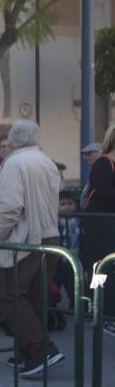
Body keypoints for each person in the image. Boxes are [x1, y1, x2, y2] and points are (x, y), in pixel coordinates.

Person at [0, 121, 64, 376]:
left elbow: (10, 208)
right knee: (34, 297)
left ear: (12, 141)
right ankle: (30, 354)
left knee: (8, 294)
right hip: (49, 236)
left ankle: (41, 350)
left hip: (24, 239)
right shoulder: (46, 161)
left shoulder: (13, 163)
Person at [82, 127, 115, 333]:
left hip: (109, 229)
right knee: (102, 272)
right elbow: (102, 193)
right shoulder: (104, 163)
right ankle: (101, 315)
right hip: (102, 230)